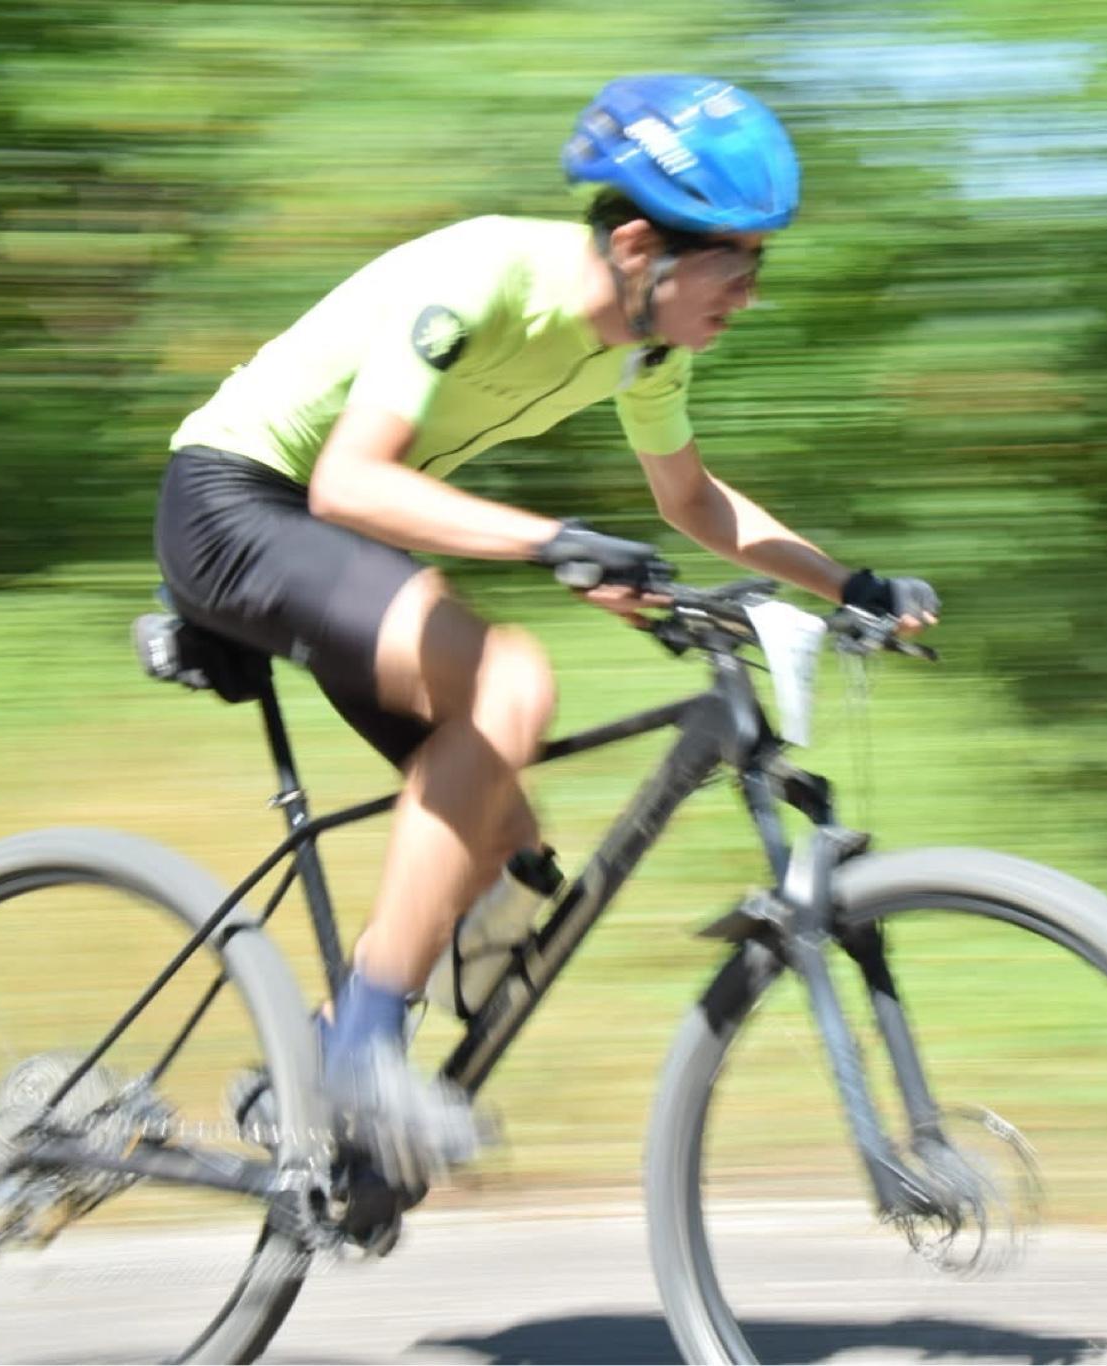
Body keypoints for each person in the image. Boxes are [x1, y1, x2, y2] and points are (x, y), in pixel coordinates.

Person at [152, 74, 940, 1192]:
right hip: (235, 502)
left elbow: (691, 501)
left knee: (507, 850)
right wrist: (556, 542)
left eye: (759, 265)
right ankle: (364, 1054)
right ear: (638, 246)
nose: (750, 294)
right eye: (734, 264)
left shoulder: (648, 349)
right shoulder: (480, 276)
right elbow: (348, 481)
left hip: (337, 539)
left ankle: (310, 1070)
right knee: (512, 682)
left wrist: (846, 583)